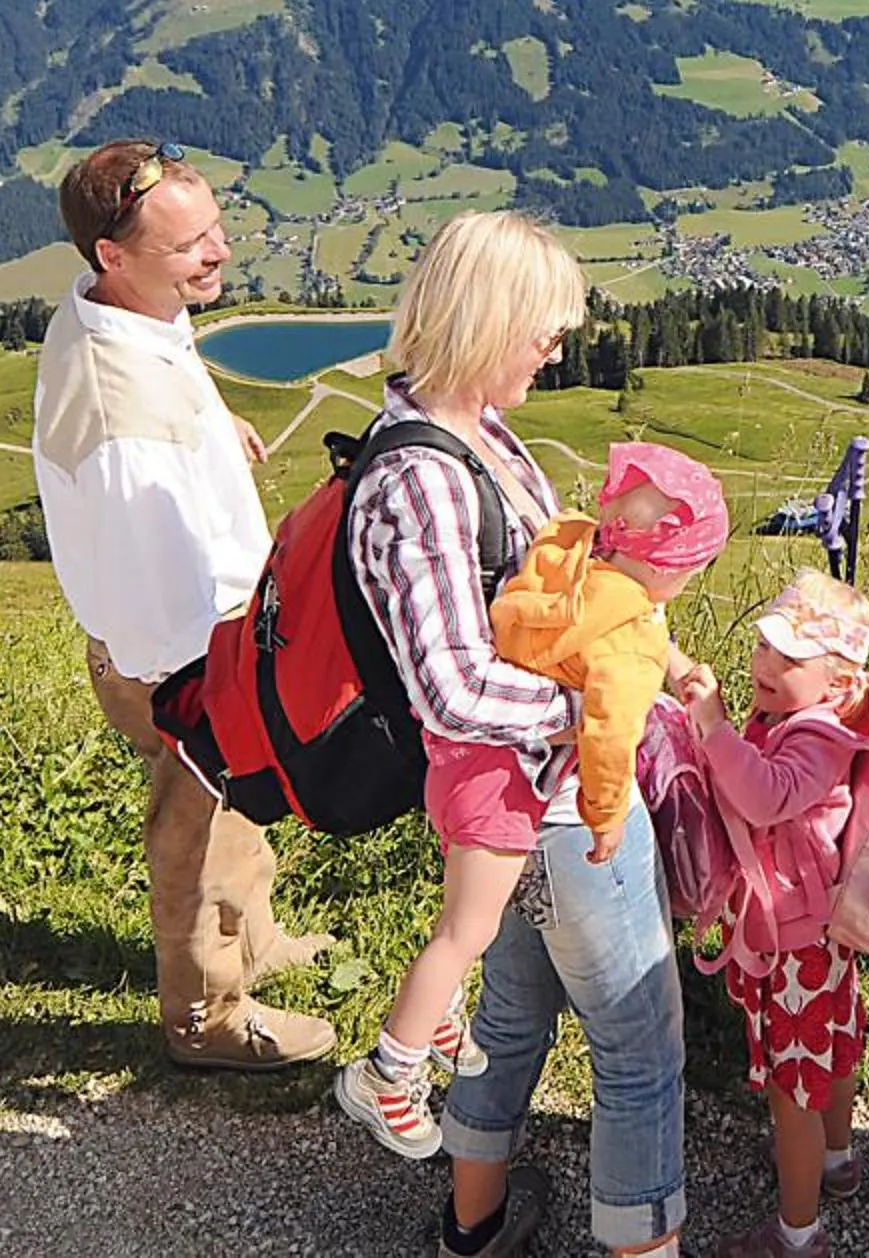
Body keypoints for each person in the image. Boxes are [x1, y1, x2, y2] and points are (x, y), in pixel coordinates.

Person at [338, 209, 688, 1258]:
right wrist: (597, 716)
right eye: (541, 329)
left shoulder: (471, 430)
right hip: (549, 800)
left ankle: (477, 1225)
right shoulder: (428, 478)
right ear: (487, 320)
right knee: (639, 1047)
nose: (554, 348)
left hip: (522, 802)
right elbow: (450, 687)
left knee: (511, 1017)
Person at [30, 139, 337, 1071]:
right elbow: (157, 596)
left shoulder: (120, 310)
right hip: (185, 658)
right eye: (191, 247)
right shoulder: (129, 438)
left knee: (240, 808)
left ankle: (252, 938)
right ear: (111, 255)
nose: (220, 256)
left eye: (215, 231)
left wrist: (213, 414)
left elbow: (162, 354)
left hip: (210, 635)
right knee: (195, 826)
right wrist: (222, 686)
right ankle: (206, 1018)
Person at [339, 442, 727, 1160]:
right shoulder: (630, 640)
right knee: (463, 936)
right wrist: (607, 819)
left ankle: (445, 1033)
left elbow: (590, 573)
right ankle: (388, 1075)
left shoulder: (570, 547)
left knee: (490, 972)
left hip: (454, 766)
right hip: (512, 790)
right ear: (673, 569)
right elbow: (609, 735)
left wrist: (675, 664)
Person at [680, 571, 869, 1258]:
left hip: (792, 943)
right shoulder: (799, 716)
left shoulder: (817, 737)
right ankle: (837, 1161)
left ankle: (797, 1233)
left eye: (788, 658)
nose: (764, 665)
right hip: (820, 936)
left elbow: (764, 797)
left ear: (840, 684)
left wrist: (714, 728)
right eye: (762, 646)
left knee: (792, 1091)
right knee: (834, 1052)